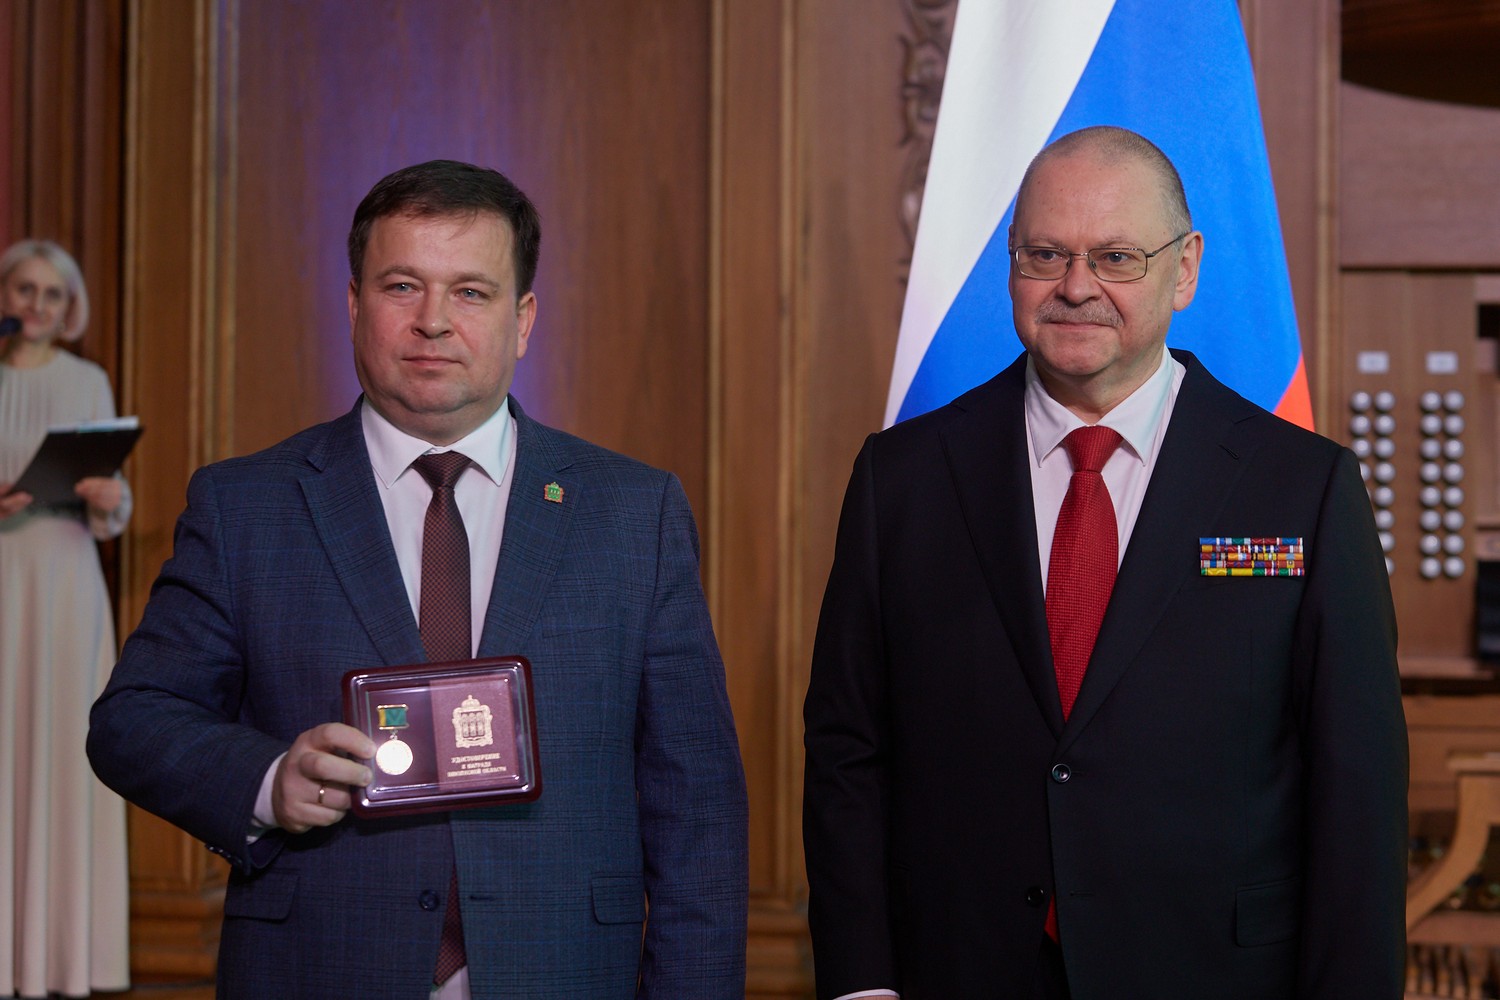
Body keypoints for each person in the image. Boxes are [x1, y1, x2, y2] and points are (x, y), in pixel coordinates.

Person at [88, 160, 748, 999]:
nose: (433, 320)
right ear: (354, 304)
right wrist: (269, 781)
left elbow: (698, 805)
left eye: (471, 291)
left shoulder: (633, 511)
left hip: (567, 971)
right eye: (402, 286)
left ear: (523, 320)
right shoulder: (244, 504)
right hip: (321, 970)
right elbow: (133, 721)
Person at [802, 126, 1407, 999]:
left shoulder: (1301, 488)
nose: (1077, 287)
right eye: (1044, 254)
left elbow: (1358, 788)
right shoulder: (902, 478)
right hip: (960, 971)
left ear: (1184, 269)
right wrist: (862, 984)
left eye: (1117, 257)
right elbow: (848, 753)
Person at [0, 239, 132, 998]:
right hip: (5, 572)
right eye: (26, 289)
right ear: (5, 295)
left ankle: (61, 958)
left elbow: (112, 500)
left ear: (68, 306)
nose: (39, 306)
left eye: (53, 294)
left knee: (63, 743)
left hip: (65, 579)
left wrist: (111, 499)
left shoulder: (88, 381)